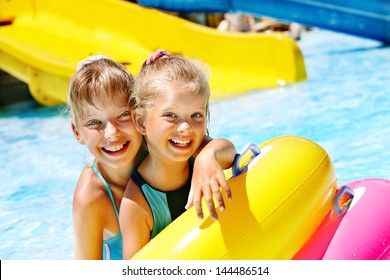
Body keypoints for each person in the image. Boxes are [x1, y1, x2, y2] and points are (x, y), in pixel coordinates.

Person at [68, 53, 235, 259]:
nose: (111, 133)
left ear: (140, 116)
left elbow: (224, 149)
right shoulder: (91, 197)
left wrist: (207, 156)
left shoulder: (165, 147)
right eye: (94, 122)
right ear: (77, 132)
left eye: (122, 115)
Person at [120, 50, 236, 259]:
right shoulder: (137, 204)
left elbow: (228, 150)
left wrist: (207, 157)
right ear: (140, 121)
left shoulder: (198, 153)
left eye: (196, 115)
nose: (185, 127)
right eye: (170, 115)